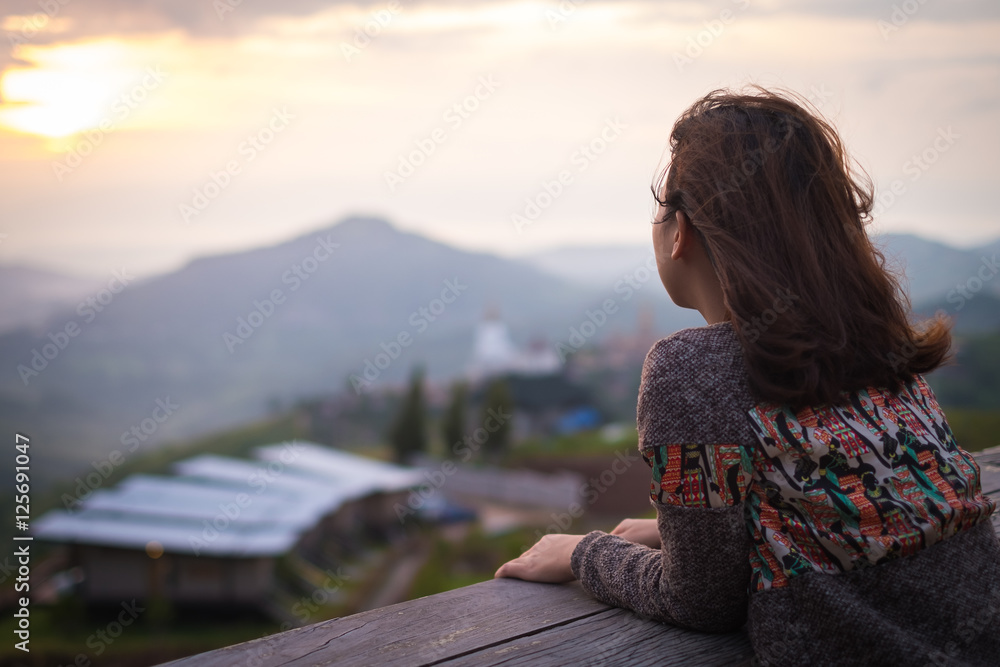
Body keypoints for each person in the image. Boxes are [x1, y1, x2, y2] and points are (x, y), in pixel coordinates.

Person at [494, 87, 1000, 666]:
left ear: (678, 229)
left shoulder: (689, 371)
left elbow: (701, 602)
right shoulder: (873, 343)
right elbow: (835, 497)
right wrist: (685, 532)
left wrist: (584, 553)